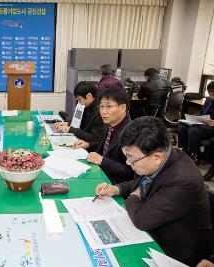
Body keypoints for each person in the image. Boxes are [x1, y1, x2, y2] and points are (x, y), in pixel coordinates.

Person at [95, 116, 214, 266]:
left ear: (157, 157)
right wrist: (116, 189)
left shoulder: (182, 180)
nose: (127, 162)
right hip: (156, 229)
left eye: (131, 158)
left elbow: (141, 219)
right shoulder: (163, 155)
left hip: (173, 251)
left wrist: (133, 195)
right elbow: (141, 182)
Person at [72, 87, 133, 183]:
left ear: (122, 108)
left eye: (109, 107)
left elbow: (131, 172)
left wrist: (103, 161)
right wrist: (88, 145)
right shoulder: (109, 125)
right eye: (101, 106)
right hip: (100, 173)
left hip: (113, 183)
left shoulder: (131, 133)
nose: (103, 111)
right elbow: (106, 146)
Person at [177, 81, 214, 165]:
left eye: (213, 95)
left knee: (192, 130)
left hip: (211, 127)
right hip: (203, 123)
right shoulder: (208, 99)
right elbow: (201, 111)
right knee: (181, 126)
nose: (211, 97)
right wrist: (194, 118)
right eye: (210, 94)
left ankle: (195, 155)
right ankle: (186, 150)